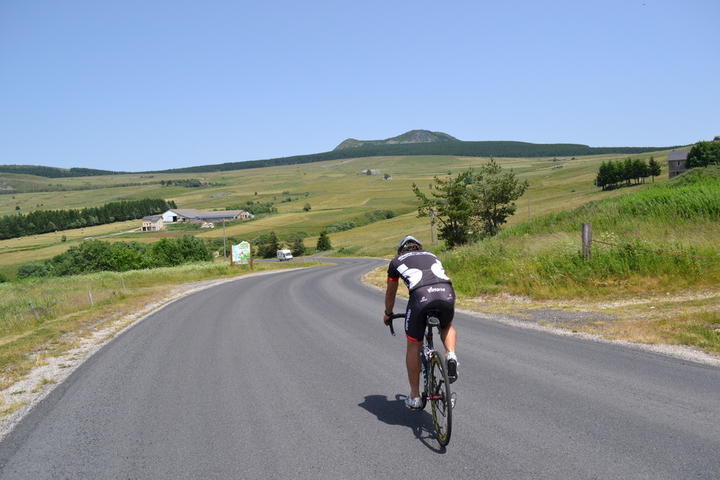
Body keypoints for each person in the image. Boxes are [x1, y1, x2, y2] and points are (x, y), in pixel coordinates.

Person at [383, 235, 458, 410]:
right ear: (419, 248)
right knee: (446, 325)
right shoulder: (432, 255)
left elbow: (390, 292)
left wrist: (388, 313)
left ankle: (415, 397)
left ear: (401, 250)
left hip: (420, 297)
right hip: (446, 292)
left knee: (413, 344)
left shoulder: (396, 261)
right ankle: (451, 354)